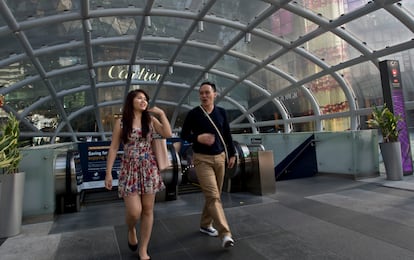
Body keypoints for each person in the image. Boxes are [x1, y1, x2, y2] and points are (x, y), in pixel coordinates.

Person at [105, 89, 172, 260]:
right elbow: (113, 147)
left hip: (149, 168)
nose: (143, 101)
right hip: (129, 169)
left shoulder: (150, 120)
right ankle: (131, 228)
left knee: (148, 210)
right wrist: (108, 173)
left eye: (145, 99)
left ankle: (143, 249)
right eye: (139, 98)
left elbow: (167, 134)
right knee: (135, 212)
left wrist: (162, 113)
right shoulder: (121, 122)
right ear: (131, 101)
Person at [180, 81, 237, 248]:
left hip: (219, 158)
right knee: (213, 196)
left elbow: (226, 133)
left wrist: (231, 153)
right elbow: (184, 135)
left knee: (215, 195)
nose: (204, 96)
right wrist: (197, 138)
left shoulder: (221, 112)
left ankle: (205, 225)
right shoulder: (194, 113)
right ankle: (225, 234)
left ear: (215, 94)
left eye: (207, 92)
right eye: (201, 93)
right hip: (201, 159)